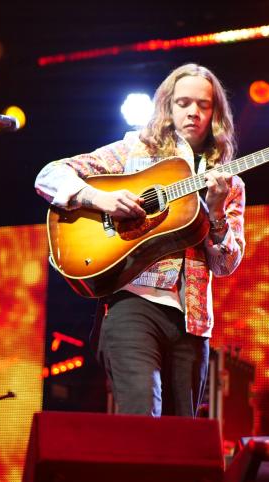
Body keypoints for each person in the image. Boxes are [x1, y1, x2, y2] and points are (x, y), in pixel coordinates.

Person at [35, 63, 246, 417]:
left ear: (215, 114)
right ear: (167, 106)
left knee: (182, 439)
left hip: (192, 322)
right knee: (141, 418)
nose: (193, 111)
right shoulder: (132, 152)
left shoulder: (228, 184)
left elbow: (225, 265)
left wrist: (217, 214)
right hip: (131, 304)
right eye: (183, 103)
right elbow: (49, 175)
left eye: (204, 105)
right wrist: (96, 198)